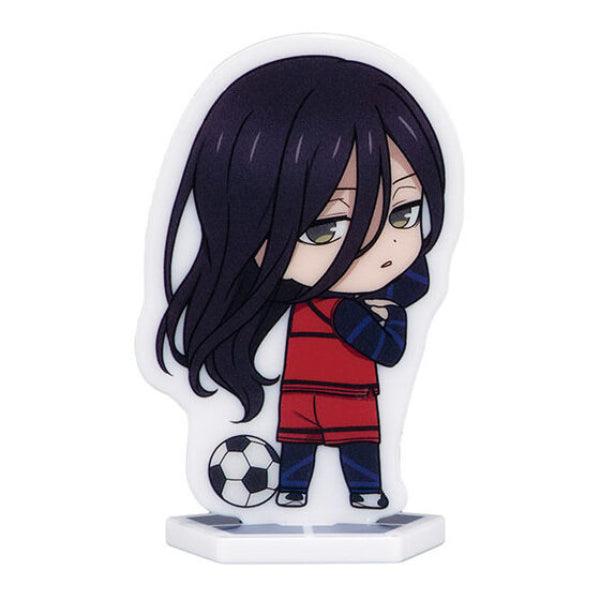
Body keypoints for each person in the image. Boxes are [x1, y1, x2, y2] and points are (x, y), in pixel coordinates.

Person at [156, 55, 445, 509]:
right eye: (325, 228)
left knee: (340, 442)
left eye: (404, 212)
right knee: (315, 440)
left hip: (335, 399)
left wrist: (377, 310)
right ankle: (313, 490)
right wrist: (377, 315)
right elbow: (385, 348)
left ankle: (342, 491)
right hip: (316, 399)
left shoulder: (360, 303)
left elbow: (392, 344)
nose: (382, 248)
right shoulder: (325, 308)